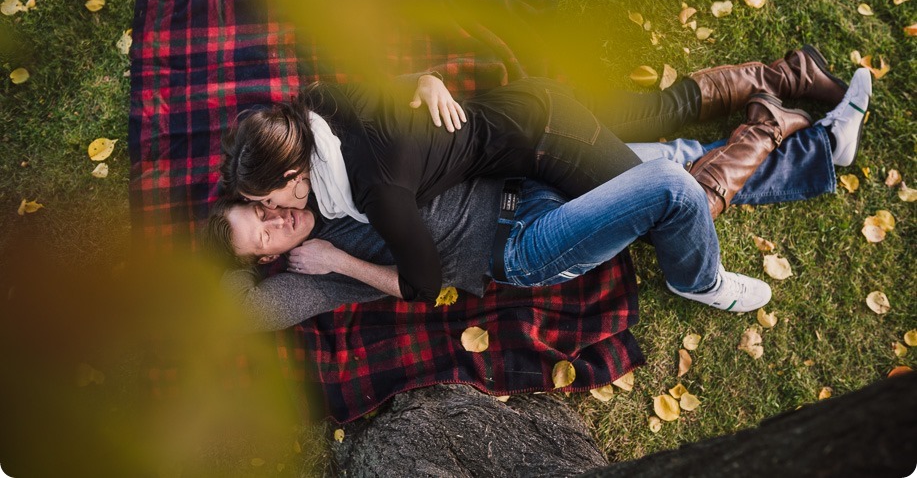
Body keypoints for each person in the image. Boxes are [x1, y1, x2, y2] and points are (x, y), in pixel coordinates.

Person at [205, 69, 872, 322]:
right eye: (264, 230)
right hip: (523, 247)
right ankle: (698, 277)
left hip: (524, 177)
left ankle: (820, 149)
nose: (276, 217)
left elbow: (342, 90)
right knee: (669, 184)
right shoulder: (315, 261)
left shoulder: (323, 156)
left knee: (671, 160)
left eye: (262, 207)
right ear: (269, 259)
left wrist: (424, 80)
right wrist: (336, 263)